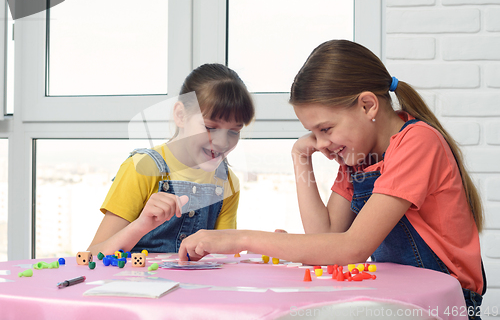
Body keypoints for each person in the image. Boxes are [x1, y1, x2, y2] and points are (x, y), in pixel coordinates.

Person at [179, 40, 486, 318]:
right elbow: (323, 237)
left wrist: (240, 239)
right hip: (398, 296)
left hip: (442, 303)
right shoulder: (357, 159)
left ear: (367, 106)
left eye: (325, 129)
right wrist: (301, 159)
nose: (321, 142)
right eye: (313, 132)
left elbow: (350, 248)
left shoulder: (418, 143)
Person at [88, 63, 255, 255]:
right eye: (210, 127)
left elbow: (222, 257)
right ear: (181, 115)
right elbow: (93, 255)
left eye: (234, 131)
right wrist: (141, 225)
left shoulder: (227, 182)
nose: (222, 142)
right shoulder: (142, 168)